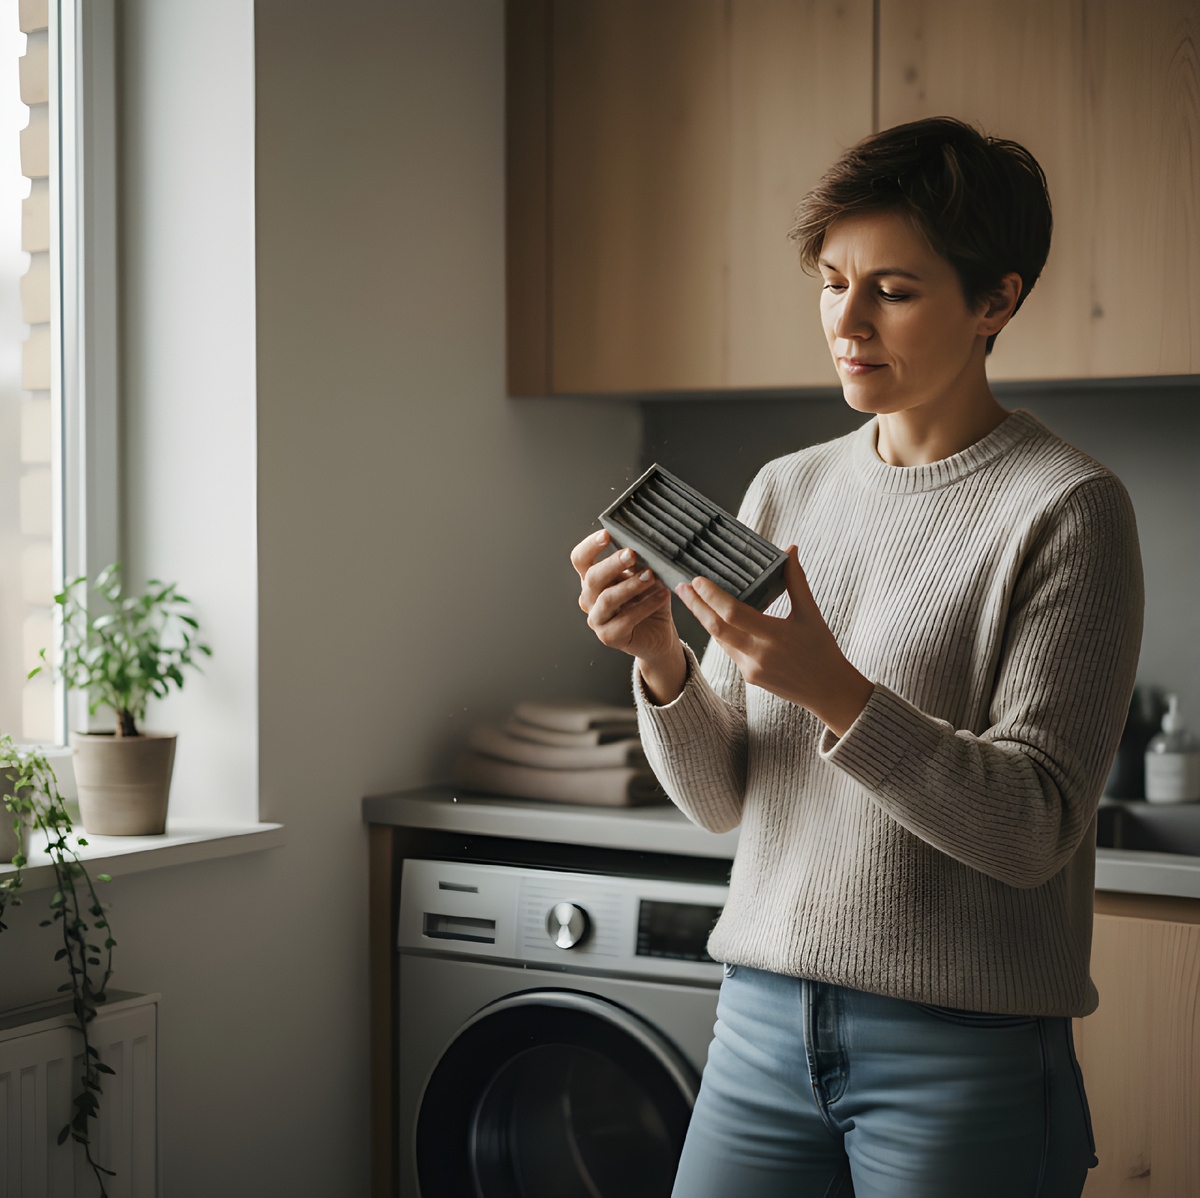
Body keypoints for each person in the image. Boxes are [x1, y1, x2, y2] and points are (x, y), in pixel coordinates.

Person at [570, 117, 1143, 1198]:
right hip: (759, 1021)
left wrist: (832, 689)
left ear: (995, 302)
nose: (848, 320)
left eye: (894, 288)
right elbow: (723, 798)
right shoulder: (786, 489)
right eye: (833, 282)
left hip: (962, 1051)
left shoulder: (1067, 509)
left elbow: (1033, 828)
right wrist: (662, 664)